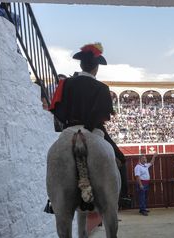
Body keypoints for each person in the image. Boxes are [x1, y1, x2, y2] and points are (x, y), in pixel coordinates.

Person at [48, 42, 129, 210]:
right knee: (121, 158)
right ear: (96, 68)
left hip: (70, 129)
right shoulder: (102, 88)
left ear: (81, 64)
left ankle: (51, 200)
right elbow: (102, 115)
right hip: (94, 130)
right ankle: (122, 198)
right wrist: (90, 127)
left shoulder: (67, 84)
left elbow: (58, 111)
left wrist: (71, 124)